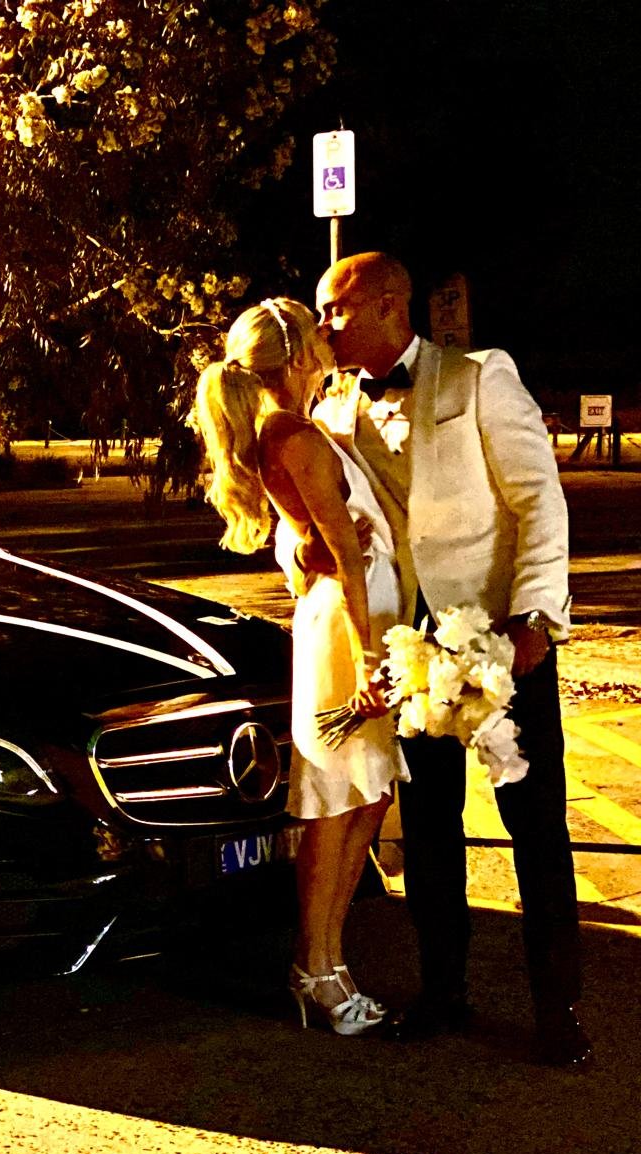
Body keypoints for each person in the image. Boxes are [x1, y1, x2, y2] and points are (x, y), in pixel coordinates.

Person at [299, 251, 588, 1067]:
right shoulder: (331, 407)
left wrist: (536, 616)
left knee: (535, 825)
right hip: (407, 645)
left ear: (390, 304)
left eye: (336, 308)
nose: (324, 325)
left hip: (502, 640)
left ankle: (558, 1007)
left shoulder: (481, 376)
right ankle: (443, 990)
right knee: (428, 830)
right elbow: (316, 512)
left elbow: (539, 500)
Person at [190, 297, 403, 1035]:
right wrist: (368, 657)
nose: (329, 334)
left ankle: (333, 957)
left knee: (369, 794)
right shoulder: (293, 435)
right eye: (318, 330)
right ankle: (313, 966)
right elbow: (341, 554)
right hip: (348, 627)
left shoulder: (297, 427)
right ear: (300, 353)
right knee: (336, 799)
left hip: (364, 616)